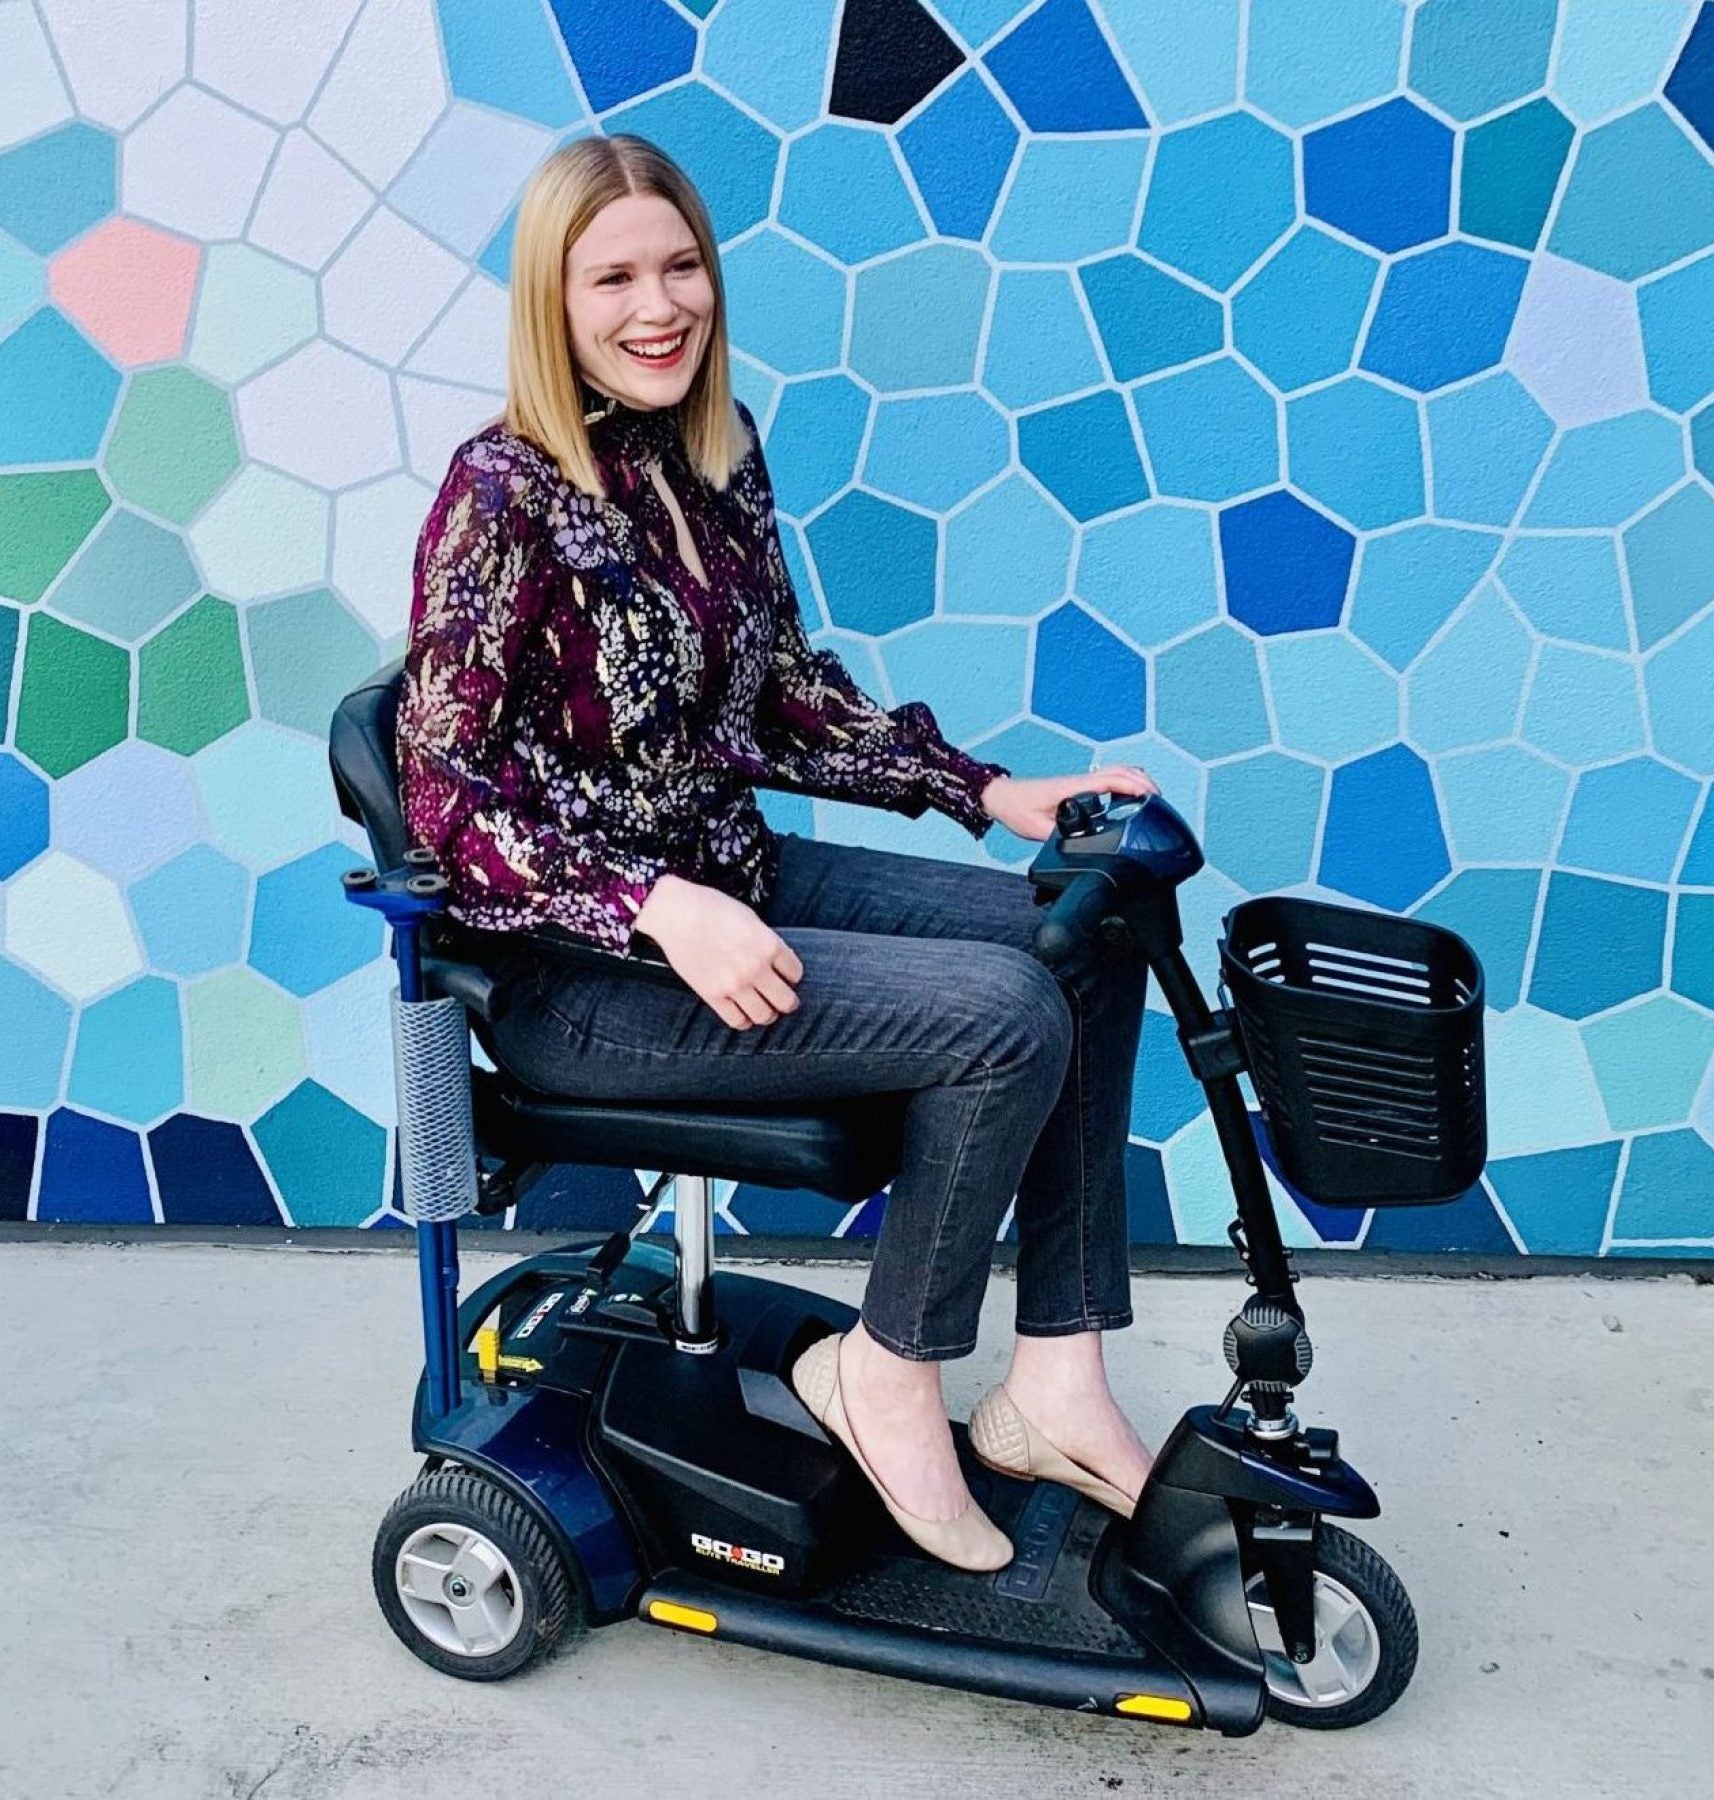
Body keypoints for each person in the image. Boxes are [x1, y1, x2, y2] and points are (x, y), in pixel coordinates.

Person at [398, 135, 1160, 1573]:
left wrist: (987, 788)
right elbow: (444, 800)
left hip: (735, 884)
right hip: (587, 984)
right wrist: (650, 905)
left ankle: (1055, 1384)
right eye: (613, 276)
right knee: (1003, 1019)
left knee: (1088, 928)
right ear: (550, 305)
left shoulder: (716, 445)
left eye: (679, 264)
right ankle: (888, 1367)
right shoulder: (499, 497)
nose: (657, 305)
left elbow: (780, 693)